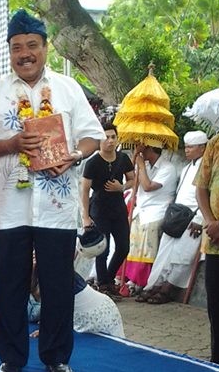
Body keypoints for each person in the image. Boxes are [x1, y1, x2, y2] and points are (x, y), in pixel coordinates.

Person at [0, 8, 104, 372]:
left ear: (45, 48)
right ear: (9, 53)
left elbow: (93, 136)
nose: (24, 53)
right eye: (16, 47)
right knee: (9, 283)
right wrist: (12, 143)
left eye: (31, 45)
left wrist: (74, 154)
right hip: (9, 206)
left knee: (58, 284)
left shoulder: (67, 89)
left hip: (57, 207)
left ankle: (56, 357)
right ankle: (11, 358)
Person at [137, 130, 208, 304]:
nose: (187, 150)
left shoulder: (207, 167)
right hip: (176, 213)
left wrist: (200, 218)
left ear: (203, 148)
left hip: (194, 217)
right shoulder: (185, 168)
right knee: (165, 252)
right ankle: (154, 285)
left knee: (183, 255)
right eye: (187, 146)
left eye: (192, 147)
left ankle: (168, 289)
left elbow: (207, 195)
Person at [195, 83, 219, 367]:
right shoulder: (217, 143)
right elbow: (201, 188)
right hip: (217, 246)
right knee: (218, 312)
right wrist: (210, 222)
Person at [80, 121, 135, 295]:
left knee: (123, 247)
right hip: (99, 208)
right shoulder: (93, 162)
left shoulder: (123, 159)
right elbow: (85, 189)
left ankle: (108, 278)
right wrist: (86, 216)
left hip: (118, 208)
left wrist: (122, 187)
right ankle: (103, 284)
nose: (110, 141)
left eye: (113, 137)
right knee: (102, 248)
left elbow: (133, 180)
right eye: (106, 137)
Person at [124, 145, 177, 291]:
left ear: (151, 149)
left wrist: (141, 165)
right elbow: (133, 182)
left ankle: (142, 280)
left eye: (143, 149)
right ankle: (130, 278)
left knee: (147, 245)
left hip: (157, 211)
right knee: (133, 245)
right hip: (141, 210)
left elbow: (147, 186)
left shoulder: (168, 168)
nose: (141, 152)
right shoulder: (146, 165)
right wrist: (135, 160)